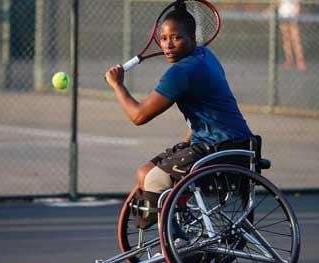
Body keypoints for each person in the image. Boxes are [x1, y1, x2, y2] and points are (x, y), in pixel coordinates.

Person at [105, 6, 253, 230]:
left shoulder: (181, 72)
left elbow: (138, 116)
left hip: (218, 148)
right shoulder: (205, 55)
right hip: (236, 144)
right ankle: (180, 224)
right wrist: (186, 143)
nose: (168, 45)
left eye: (176, 38)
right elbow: (203, 112)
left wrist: (118, 85)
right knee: (144, 172)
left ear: (192, 38)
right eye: (163, 38)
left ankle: (176, 239)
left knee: (154, 180)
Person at [278, 0, 307, 71]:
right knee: (286, 39)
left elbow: (297, 3)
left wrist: (297, 10)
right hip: (282, 14)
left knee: (295, 39)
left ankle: (300, 61)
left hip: (292, 15)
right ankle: (289, 61)